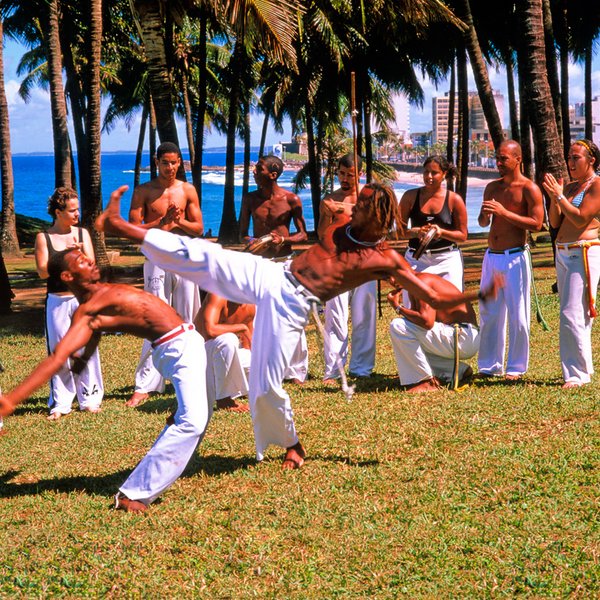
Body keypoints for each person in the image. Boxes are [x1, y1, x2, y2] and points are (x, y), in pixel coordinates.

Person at [97, 183, 501, 470]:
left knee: (267, 385)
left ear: (378, 213)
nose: (351, 208)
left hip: (293, 304)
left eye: (360, 205)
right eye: (354, 203)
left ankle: (291, 444)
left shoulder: (386, 260)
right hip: (273, 273)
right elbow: (315, 240)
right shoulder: (340, 228)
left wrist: (477, 297)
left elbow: (435, 298)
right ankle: (127, 229)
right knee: (208, 255)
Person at [0, 247, 212, 513]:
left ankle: (178, 416)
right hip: (176, 349)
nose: (89, 260)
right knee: (192, 421)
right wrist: (11, 400)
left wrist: (84, 356)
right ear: (67, 275)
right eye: (81, 261)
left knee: (201, 413)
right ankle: (131, 494)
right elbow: (56, 359)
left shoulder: (100, 294)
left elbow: (95, 334)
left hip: (190, 340)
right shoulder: (88, 312)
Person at [127, 141, 204, 407]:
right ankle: (146, 384)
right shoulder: (144, 191)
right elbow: (133, 228)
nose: (169, 167)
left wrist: (178, 220)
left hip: (183, 258)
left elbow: (198, 228)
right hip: (156, 259)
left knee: (189, 316)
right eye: (164, 162)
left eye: (174, 162)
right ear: (156, 162)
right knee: (154, 318)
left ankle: (195, 375)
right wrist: (161, 223)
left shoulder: (187, 190)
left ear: (180, 163)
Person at [34, 187, 103, 420]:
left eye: (77, 209)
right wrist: (64, 256)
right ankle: (61, 402)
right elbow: (42, 271)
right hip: (57, 301)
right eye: (72, 210)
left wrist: (80, 257)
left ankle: (90, 398)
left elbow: (92, 268)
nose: (77, 214)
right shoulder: (43, 238)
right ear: (58, 212)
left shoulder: (82, 234)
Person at [476, 140, 544, 381]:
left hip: (515, 258)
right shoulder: (492, 188)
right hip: (491, 258)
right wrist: (485, 215)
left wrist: (505, 213)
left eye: (504, 158)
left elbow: (537, 224)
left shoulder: (529, 189)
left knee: (518, 316)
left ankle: (515, 367)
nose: (498, 163)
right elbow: (483, 223)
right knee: (489, 312)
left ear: (518, 159)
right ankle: (489, 365)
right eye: (497, 158)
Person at [239, 154, 309, 384]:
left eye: (258, 168)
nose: (254, 171)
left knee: (292, 313)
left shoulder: (291, 200)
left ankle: (297, 371)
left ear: (273, 174)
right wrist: (253, 240)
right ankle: (264, 366)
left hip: (285, 262)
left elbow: (303, 234)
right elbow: (242, 233)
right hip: (260, 263)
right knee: (259, 316)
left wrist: (284, 240)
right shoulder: (250, 199)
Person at [542, 139, 600, 388]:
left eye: (576, 157)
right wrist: (555, 198)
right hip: (564, 253)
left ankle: (577, 375)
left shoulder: (596, 185)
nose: (570, 162)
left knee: (573, 313)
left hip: (583, 251)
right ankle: (580, 369)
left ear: (591, 160)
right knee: (571, 312)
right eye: (569, 157)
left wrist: (559, 196)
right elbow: (555, 222)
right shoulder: (571, 188)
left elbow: (580, 219)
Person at [317, 153, 377, 382]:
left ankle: (362, 368)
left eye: (350, 175)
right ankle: (333, 368)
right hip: (338, 261)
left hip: (365, 261)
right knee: (336, 316)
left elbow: (376, 227)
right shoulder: (330, 199)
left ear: (359, 174)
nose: (345, 178)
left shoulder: (369, 198)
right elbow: (323, 235)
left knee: (365, 314)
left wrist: (346, 210)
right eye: (341, 174)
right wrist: (326, 214)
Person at [387, 272, 479, 393]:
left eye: (394, 275)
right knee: (409, 333)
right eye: (387, 278)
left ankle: (426, 382)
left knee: (398, 326)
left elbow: (426, 322)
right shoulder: (414, 284)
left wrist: (398, 307)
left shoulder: (421, 282)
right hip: (464, 337)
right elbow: (418, 324)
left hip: (462, 336)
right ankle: (456, 370)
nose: (392, 281)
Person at [399, 155, 468, 291]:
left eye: (434, 173)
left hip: (447, 259)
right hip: (416, 259)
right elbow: (398, 232)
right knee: (414, 306)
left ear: (444, 174)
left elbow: (463, 236)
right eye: (426, 172)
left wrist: (441, 233)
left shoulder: (454, 200)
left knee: (450, 307)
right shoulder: (410, 197)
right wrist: (416, 232)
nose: (429, 176)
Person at [195, 292, 255, 413]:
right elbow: (210, 330)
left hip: (221, 357)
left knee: (254, 361)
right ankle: (224, 400)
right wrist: (241, 327)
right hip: (199, 356)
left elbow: (249, 344)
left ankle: (239, 390)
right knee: (228, 340)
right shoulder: (217, 295)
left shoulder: (249, 305)